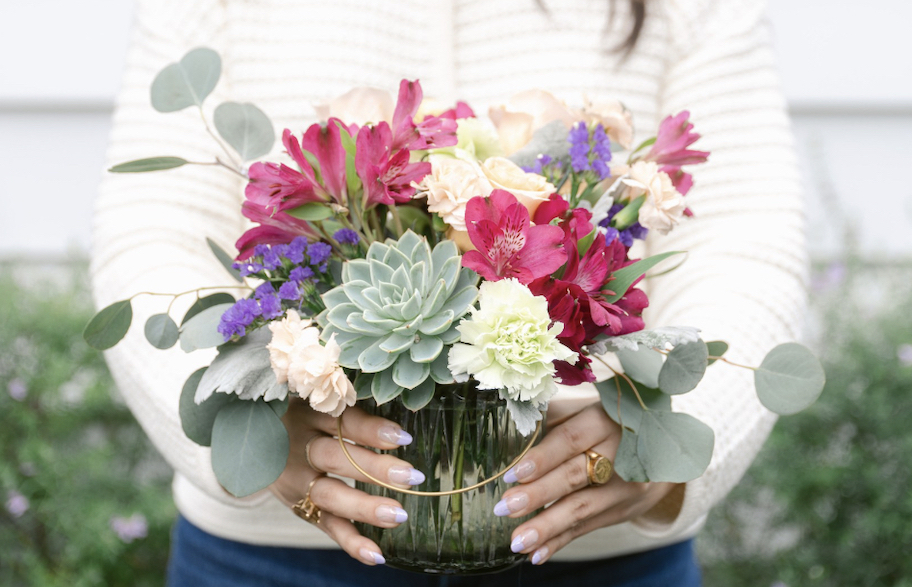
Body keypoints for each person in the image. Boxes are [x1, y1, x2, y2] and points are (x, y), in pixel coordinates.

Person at [91, 0, 806, 585]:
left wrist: (664, 454)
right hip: (272, 559)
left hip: (598, 553)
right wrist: (252, 433)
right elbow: (147, 241)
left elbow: (749, 241)